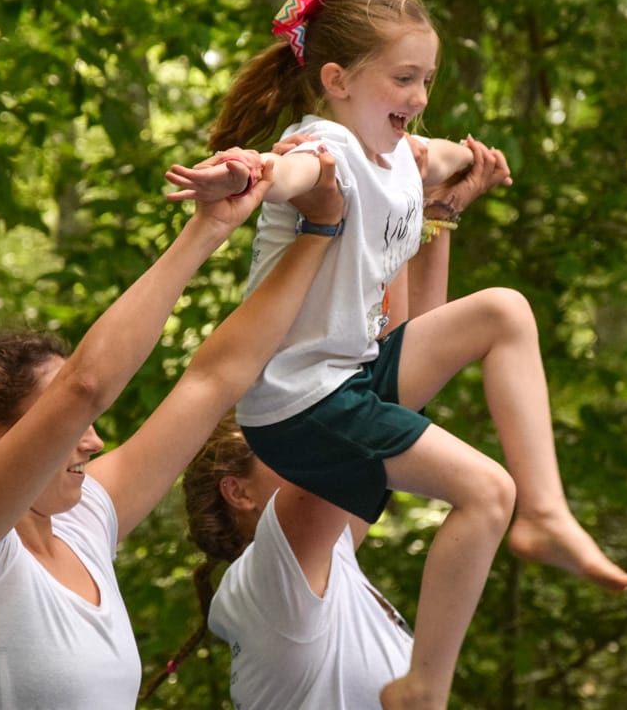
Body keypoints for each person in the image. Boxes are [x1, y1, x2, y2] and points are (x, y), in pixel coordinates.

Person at [166, 0, 627, 710]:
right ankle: (423, 688)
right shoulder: (325, 145)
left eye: (427, 79)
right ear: (337, 81)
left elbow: (410, 306)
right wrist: (247, 176)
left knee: (504, 312)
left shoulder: (394, 155)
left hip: (346, 378)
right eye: (403, 79)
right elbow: (291, 172)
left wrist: (450, 185)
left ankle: (546, 510)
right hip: (298, 400)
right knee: (484, 491)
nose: (418, 96)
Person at [0, 148, 343, 709]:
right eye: (71, 427)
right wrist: (201, 234)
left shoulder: (82, 521)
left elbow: (214, 379)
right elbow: (86, 384)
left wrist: (321, 228)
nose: (93, 439)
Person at [149, 139, 506, 710]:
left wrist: (430, 215)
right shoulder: (269, 579)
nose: (313, 411)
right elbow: (371, 393)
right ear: (236, 491)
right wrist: (395, 197)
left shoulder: (323, 566)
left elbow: (390, 375)